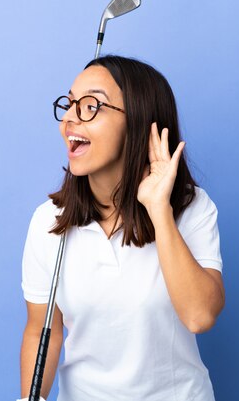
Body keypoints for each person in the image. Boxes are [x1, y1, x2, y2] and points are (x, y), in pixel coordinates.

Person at [19, 55, 225, 401]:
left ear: (139, 122)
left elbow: (199, 316)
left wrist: (158, 209)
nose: (69, 119)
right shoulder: (49, 221)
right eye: (70, 105)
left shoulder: (190, 208)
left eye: (90, 106)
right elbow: (43, 330)